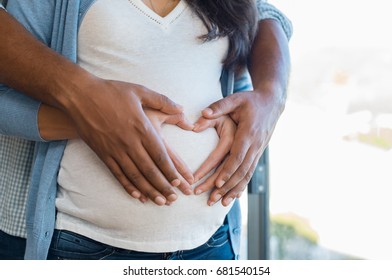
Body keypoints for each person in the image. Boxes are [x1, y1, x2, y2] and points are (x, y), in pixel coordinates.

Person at [0, 0, 291, 260]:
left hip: (211, 241)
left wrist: (268, 100)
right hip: (87, 245)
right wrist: (89, 119)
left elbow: (257, 31)